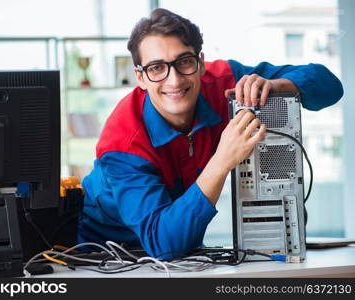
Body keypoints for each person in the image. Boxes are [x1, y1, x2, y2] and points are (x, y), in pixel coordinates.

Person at [77, 8, 343, 258]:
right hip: (107, 252)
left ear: (201, 63)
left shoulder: (227, 82)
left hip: (183, 246)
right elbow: (163, 244)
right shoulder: (123, 142)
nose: (175, 80)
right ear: (140, 77)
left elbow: (331, 86)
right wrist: (222, 160)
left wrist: (278, 86)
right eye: (157, 68)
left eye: (184, 61)